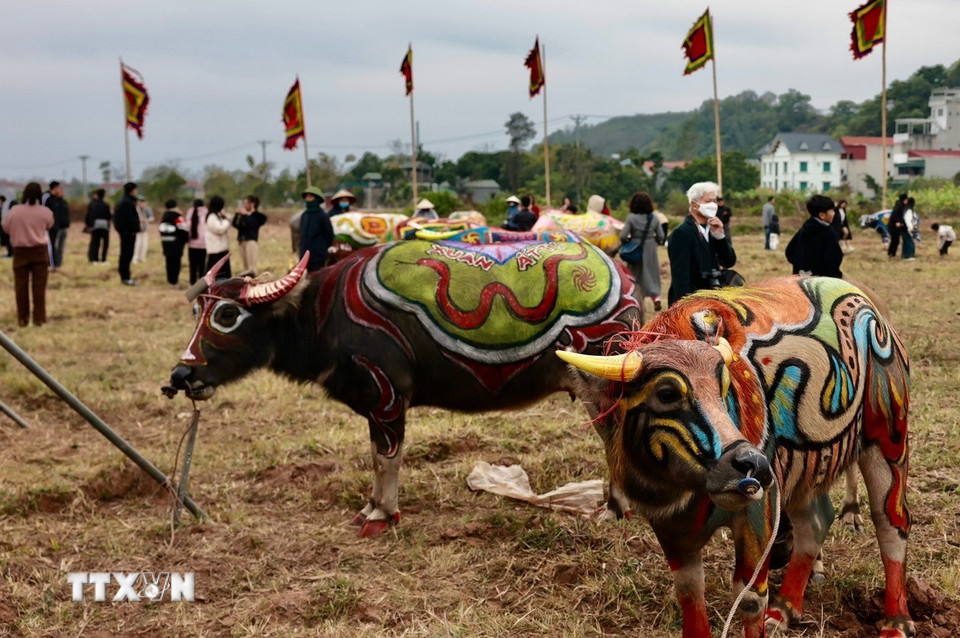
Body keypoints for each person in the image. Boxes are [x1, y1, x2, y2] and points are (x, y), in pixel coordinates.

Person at [666, 181, 737, 306]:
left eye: (714, 201)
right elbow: (681, 277)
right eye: (708, 201)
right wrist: (686, 307)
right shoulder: (682, 233)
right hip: (691, 302)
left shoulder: (713, 229)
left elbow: (729, 262)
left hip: (713, 298)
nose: (713, 205)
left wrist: (720, 236)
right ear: (694, 204)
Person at [2, 182, 54, 326]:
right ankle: (39, 319)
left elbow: (6, 227)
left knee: (21, 287)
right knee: (39, 288)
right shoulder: (45, 211)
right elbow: (50, 224)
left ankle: (22, 319)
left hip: (20, 252)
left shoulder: (14, 211)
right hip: (39, 252)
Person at [620, 191, 665, 311]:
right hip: (650, 249)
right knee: (652, 274)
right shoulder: (654, 218)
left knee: (635, 274)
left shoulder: (631, 218)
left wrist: (629, 242)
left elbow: (623, 236)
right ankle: (656, 298)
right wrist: (653, 240)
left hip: (635, 248)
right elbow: (661, 236)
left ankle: (639, 300)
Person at [785, 195, 843, 278]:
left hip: (799, 278)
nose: (834, 213)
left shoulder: (804, 229)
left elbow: (789, 251)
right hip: (821, 281)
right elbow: (835, 258)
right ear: (822, 215)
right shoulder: (828, 232)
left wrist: (801, 266)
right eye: (831, 210)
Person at [299, 185, 334, 272]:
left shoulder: (323, 216)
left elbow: (329, 235)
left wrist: (321, 249)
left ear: (317, 199)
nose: (307, 199)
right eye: (306, 196)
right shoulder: (304, 215)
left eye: (310, 196)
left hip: (317, 257)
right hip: (304, 256)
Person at [232, 194, 267, 276]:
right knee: (245, 266)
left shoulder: (257, 216)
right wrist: (237, 214)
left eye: (246, 203)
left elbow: (253, 225)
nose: (244, 205)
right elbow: (236, 225)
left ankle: (254, 280)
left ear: (252, 204)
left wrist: (245, 215)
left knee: (252, 266)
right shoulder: (243, 215)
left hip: (251, 241)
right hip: (242, 241)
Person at [114, 181, 140, 285]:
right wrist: (131, 230)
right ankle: (125, 277)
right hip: (127, 233)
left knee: (126, 254)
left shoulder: (124, 201)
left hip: (126, 232)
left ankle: (125, 276)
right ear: (132, 190)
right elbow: (129, 219)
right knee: (126, 254)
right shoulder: (126, 203)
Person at [159, 199, 189, 287]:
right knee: (176, 263)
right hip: (176, 243)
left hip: (166, 242)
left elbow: (161, 228)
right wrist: (185, 240)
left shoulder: (164, 216)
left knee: (169, 262)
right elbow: (183, 229)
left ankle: (170, 281)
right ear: (175, 206)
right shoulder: (177, 216)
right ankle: (175, 282)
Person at [204, 195, 232, 278]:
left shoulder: (217, 216)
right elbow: (219, 229)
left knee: (223, 274)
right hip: (215, 251)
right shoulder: (211, 217)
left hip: (221, 250)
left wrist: (226, 217)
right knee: (216, 275)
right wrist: (226, 221)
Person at [45, 181, 69, 271]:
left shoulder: (62, 201)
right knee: (54, 247)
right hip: (54, 228)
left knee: (61, 248)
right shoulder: (49, 200)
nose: (60, 190)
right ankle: (52, 264)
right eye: (59, 188)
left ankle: (58, 264)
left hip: (63, 227)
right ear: (54, 189)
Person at [85, 188, 111, 264]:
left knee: (95, 243)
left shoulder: (92, 204)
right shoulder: (106, 205)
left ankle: (94, 259)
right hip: (105, 227)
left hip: (95, 227)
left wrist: (89, 225)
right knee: (105, 243)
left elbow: (89, 216)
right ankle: (103, 259)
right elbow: (109, 216)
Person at [185, 199, 207, 284]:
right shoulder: (206, 212)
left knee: (192, 266)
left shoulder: (190, 211)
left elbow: (188, 226)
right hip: (204, 244)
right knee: (202, 266)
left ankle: (192, 282)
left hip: (192, 244)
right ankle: (201, 284)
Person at [887, 192, 909, 259]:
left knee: (895, 240)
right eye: (906, 199)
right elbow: (895, 215)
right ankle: (891, 254)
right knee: (895, 240)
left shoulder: (901, 205)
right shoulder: (899, 206)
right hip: (893, 226)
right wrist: (897, 222)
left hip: (896, 226)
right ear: (904, 200)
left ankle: (891, 254)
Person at [132, 195, 154, 264]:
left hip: (144, 229)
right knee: (136, 244)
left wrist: (146, 220)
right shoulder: (134, 209)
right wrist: (138, 220)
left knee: (144, 244)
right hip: (137, 229)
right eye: (140, 201)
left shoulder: (147, 209)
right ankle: (135, 258)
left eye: (143, 201)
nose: (142, 203)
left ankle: (142, 257)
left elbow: (152, 218)